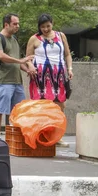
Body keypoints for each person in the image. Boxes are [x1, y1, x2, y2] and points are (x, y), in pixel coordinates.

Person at [25, 13, 73, 146]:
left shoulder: (61, 36)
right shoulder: (34, 39)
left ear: (52, 23)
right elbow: (27, 58)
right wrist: (30, 67)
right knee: (41, 105)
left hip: (59, 75)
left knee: (59, 105)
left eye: (48, 26)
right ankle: (40, 135)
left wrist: (69, 69)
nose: (45, 29)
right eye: (42, 27)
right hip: (40, 76)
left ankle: (57, 136)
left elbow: (67, 54)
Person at [0, 13, 34, 139]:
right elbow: (0, 56)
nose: (17, 26)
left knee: (18, 111)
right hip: (4, 81)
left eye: (18, 23)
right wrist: (21, 61)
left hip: (17, 82)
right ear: (6, 24)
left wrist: (27, 70)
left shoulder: (14, 40)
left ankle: (14, 137)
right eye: (15, 24)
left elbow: (17, 60)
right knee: (0, 109)